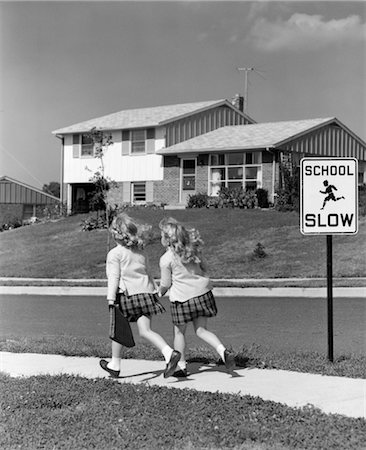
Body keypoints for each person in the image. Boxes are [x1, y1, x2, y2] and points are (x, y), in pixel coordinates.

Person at [100, 213, 181, 378]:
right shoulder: (140, 252)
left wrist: (110, 299)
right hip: (146, 294)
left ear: (115, 234)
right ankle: (168, 353)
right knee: (145, 330)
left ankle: (115, 364)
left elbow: (114, 278)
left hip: (127, 296)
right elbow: (148, 272)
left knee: (119, 330)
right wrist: (155, 288)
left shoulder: (115, 254)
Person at [158, 217, 235, 377]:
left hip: (181, 300)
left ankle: (181, 366)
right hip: (202, 295)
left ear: (166, 239)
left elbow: (165, 284)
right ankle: (222, 351)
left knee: (179, 333)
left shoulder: (166, 259)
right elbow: (204, 269)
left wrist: (159, 293)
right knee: (201, 330)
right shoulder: (193, 251)